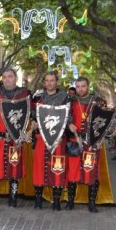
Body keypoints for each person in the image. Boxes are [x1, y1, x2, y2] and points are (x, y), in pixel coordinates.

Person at [0, 68, 32, 206]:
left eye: (10, 76)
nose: (7, 79)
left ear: (15, 78)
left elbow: (31, 112)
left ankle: (13, 197)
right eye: (4, 77)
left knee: (14, 168)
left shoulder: (24, 94)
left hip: (15, 138)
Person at [32, 71, 72, 210]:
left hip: (58, 139)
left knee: (57, 169)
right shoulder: (37, 98)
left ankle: (56, 201)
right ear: (44, 83)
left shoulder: (64, 97)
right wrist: (33, 122)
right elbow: (32, 115)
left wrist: (70, 124)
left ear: (56, 82)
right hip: (41, 138)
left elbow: (68, 115)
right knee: (39, 168)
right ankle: (38, 200)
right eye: (47, 80)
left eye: (52, 80)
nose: (49, 83)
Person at [65, 76, 106, 212]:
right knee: (73, 171)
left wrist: (99, 139)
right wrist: (69, 123)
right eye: (78, 87)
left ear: (88, 86)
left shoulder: (98, 102)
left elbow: (104, 121)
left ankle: (91, 203)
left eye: (83, 86)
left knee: (91, 171)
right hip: (75, 140)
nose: (80, 89)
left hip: (92, 142)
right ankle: (70, 202)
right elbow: (66, 116)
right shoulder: (71, 101)